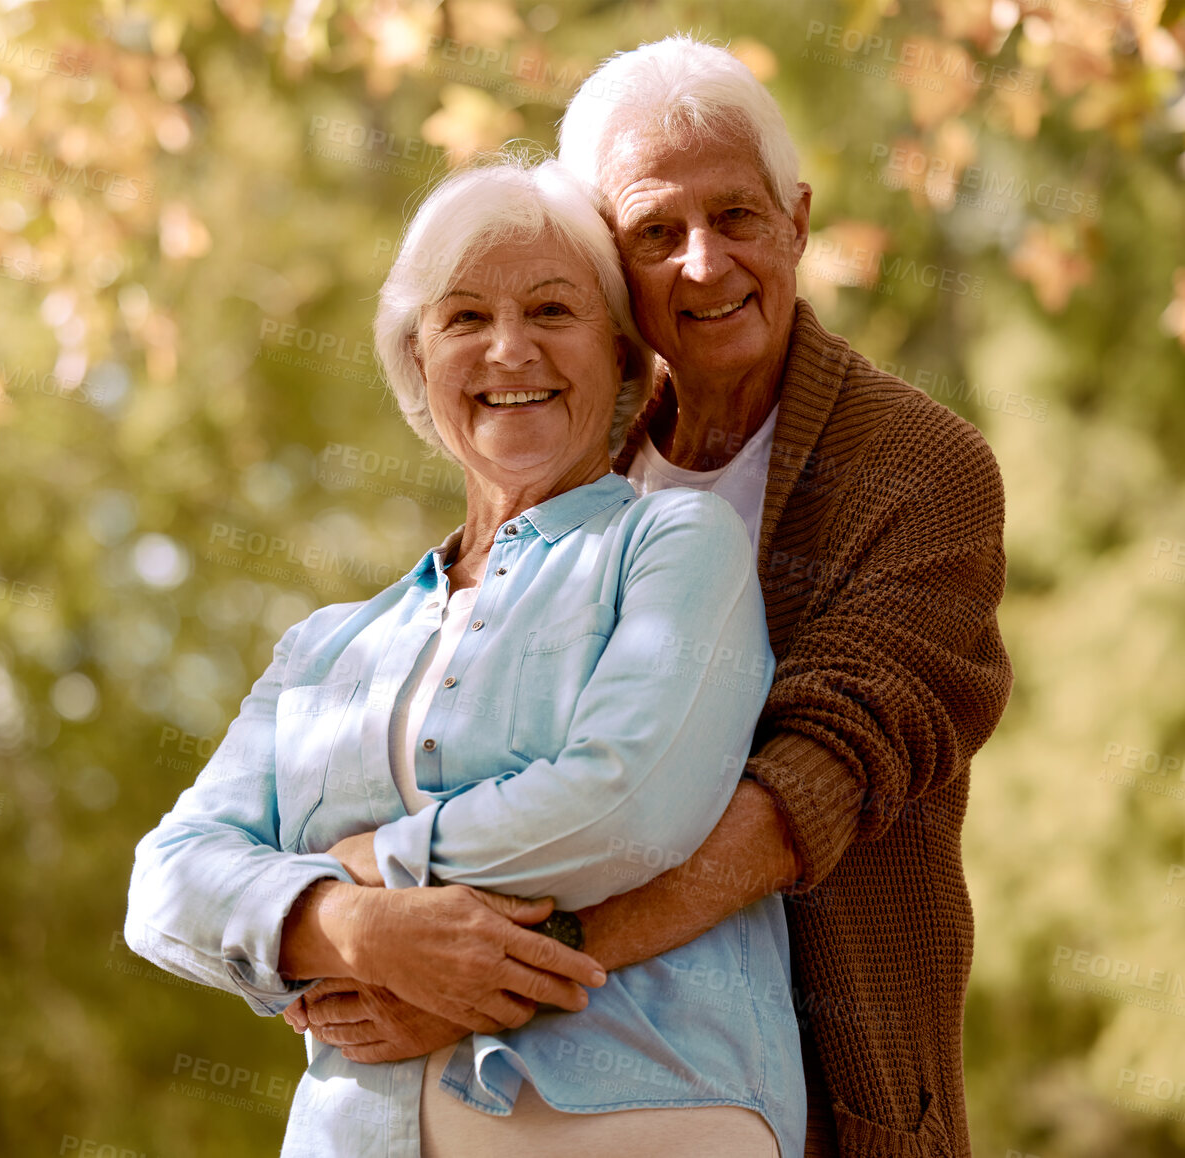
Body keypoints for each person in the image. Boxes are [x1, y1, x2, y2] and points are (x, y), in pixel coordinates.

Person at [291, 35, 1013, 1158]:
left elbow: (799, 798)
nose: (703, 265)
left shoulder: (921, 472)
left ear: (800, 222)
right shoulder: (575, 455)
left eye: (736, 218)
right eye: (653, 234)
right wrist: (337, 915)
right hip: (549, 1093)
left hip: (820, 1088)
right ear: (604, 264)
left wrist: (496, 976)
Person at [125, 159, 804, 1155]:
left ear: (624, 359)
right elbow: (167, 882)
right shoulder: (326, 647)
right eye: (464, 319)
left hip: (647, 1114)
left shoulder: (674, 547)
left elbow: (628, 803)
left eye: (551, 310)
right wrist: (353, 929)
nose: (509, 349)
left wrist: (374, 866)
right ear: (418, 363)